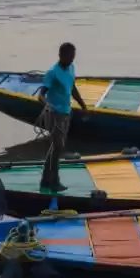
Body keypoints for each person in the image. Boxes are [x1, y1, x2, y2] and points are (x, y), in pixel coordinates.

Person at [38, 41, 86, 193]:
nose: (72, 60)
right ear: (61, 55)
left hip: (66, 112)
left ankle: (45, 180)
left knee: (55, 147)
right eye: (69, 57)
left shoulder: (71, 68)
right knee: (58, 147)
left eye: (73, 57)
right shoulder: (52, 72)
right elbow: (41, 95)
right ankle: (54, 181)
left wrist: (83, 106)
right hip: (53, 114)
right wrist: (48, 105)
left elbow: (72, 88)